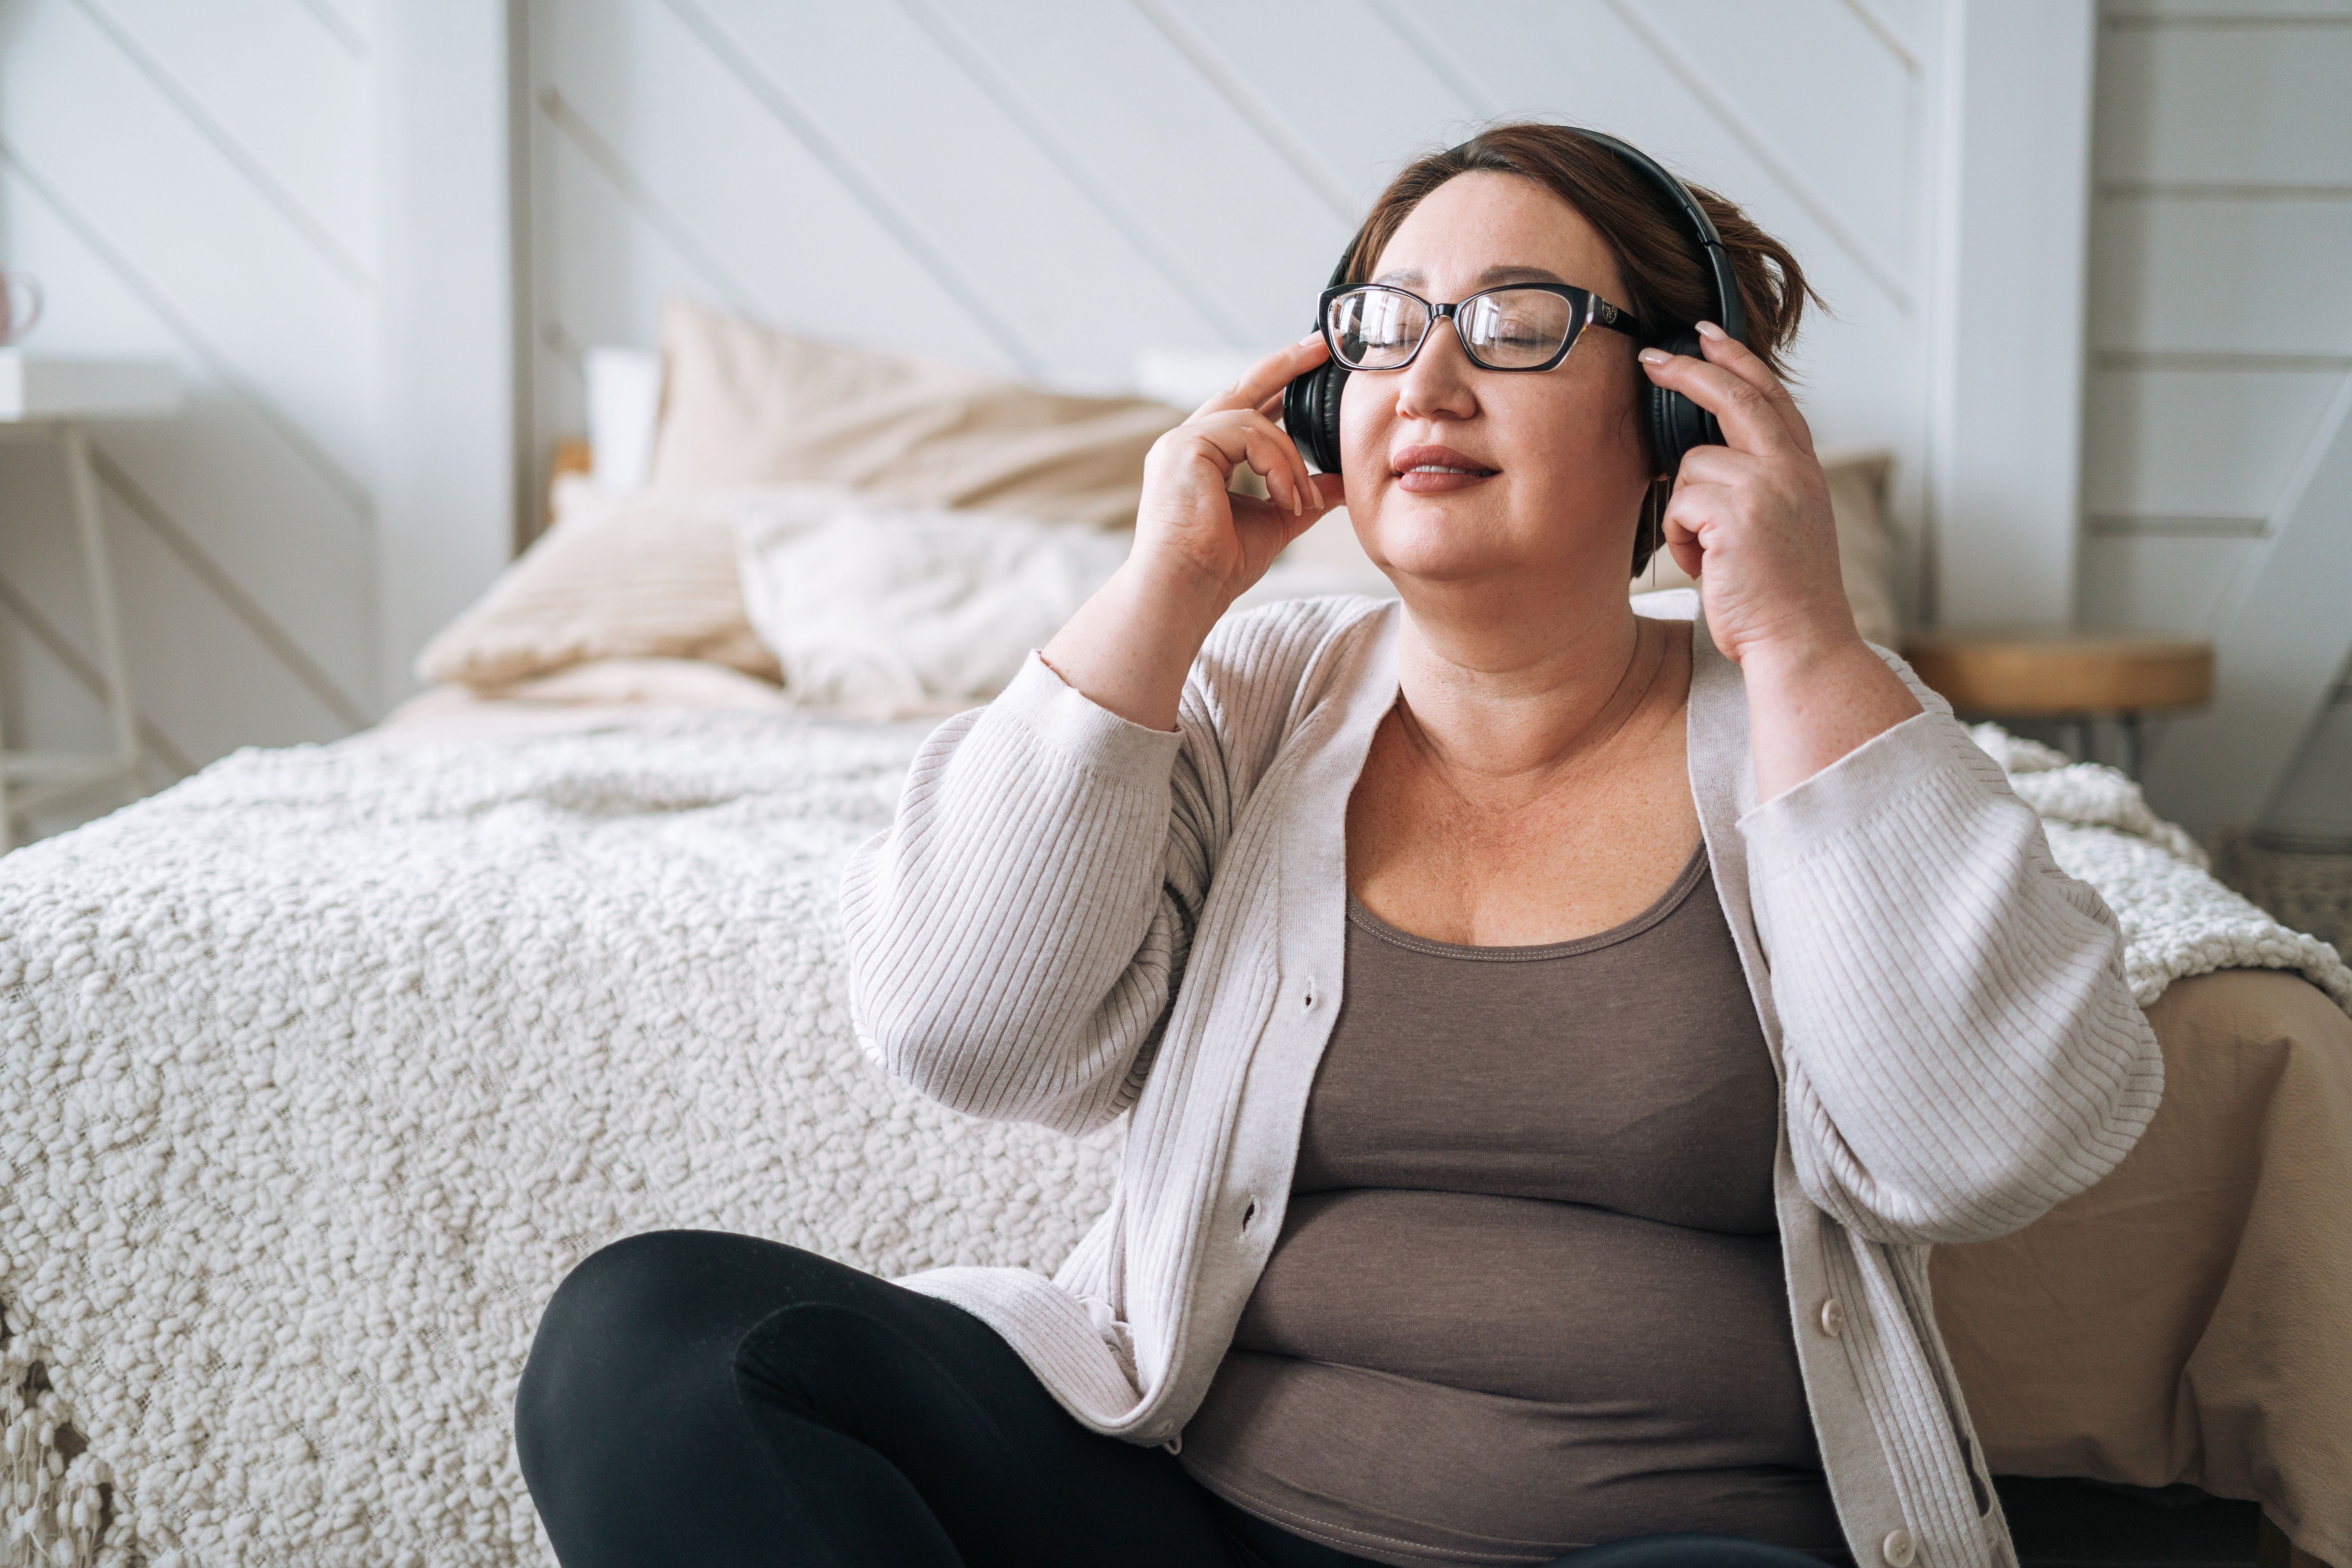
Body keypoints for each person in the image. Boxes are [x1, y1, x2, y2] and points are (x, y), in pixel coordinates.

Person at [515, 125, 2162, 1568]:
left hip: (1673, 1543)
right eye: (1381, 330)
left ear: (1677, 417)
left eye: (1516, 325)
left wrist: (1807, 643)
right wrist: (1165, 588)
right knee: (652, 1338)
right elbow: (963, 1028)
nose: (1430, 381)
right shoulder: (1247, 694)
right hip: (1182, 1520)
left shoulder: (1812, 724)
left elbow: (1986, 1143)